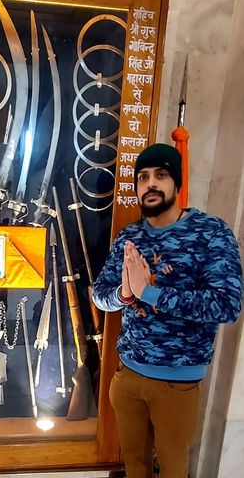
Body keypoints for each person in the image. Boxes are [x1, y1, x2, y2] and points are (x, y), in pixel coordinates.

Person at [92, 143, 243, 478]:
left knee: (173, 469)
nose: (150, 184)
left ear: (176, 182)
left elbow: (226, 305)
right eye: (143, 177)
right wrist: (125, 293)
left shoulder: (211, 233)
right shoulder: (129, 237)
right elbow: (100, 296)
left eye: (160, 175)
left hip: (177, 383)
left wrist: (149, 292)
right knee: (135, 465)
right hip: (128, 375)